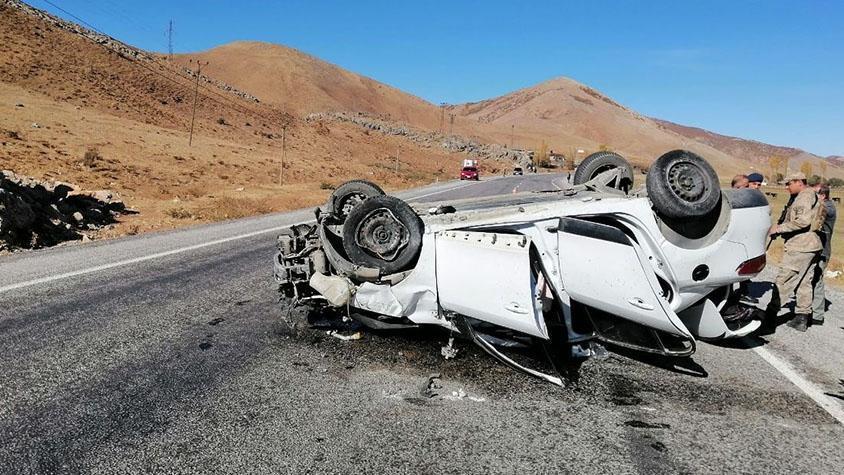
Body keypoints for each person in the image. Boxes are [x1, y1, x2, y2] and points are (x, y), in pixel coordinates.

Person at [763, 172, 824, 333]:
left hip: (800, 246)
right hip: (812, 245)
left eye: (789, 184)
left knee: (784, 280)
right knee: (804, 281)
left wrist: (780, 228)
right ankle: (801, 317)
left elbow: (803, 221)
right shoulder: (810, 195)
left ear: (799, 182)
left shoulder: (803, 197)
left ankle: (769, 319)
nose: (786, 187)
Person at [811, 184, 836, 325]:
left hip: (822, 251)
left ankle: (817, 315)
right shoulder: (823, 205)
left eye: (815, 194)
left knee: (816, 280)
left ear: (823, 195)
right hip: (816, 248)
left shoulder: (828, 207)